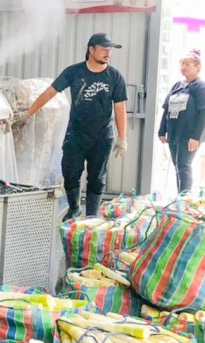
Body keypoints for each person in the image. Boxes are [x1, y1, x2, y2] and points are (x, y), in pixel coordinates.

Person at [15, 32, 129, 219]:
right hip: (76, 134)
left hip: (102, 137)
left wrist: (122, 137)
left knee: (97, 177)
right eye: (104, 49)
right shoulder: (74, 72)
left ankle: (92, 215)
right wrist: (27, 114)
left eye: (110, 50)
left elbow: (119, 107)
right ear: (91, 50)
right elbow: (49, 93)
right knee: (70, 173)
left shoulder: (115, 77)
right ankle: (74, 207)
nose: (108, 53)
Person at [159, 49, 205, 194]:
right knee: (177, 165)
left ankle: (185, 199)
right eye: (181, 64)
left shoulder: (202, 87)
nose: (183, 67)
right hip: (174, 133)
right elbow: (166, 109)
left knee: (184, 165)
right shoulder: (178, 85)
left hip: (190, 135)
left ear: (198, 67)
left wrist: (195, 137)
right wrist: (162, 130)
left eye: (187, 64)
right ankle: (180, 195)